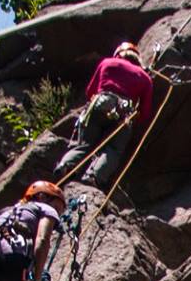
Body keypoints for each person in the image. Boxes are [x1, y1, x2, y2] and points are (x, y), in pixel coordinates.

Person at [54, 42, 156, 184]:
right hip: (123, 113)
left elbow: (90, 90)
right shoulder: (145, 77)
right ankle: (94, 176)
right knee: (113, 149)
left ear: (118, 54)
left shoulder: (107, 63)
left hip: (100, 102)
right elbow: (145, 112)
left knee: (84, 143)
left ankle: (66, 165)